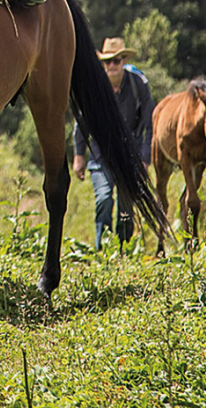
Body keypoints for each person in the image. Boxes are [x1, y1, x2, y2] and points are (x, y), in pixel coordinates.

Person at [72, 36, 154, 250]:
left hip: (130, 155)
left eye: (116, 61)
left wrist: (145, 159)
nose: (111, 66)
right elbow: (82, 121)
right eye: (107, 62)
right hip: (101, 156)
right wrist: (79, 155)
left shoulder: (139, 85)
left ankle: (123, 250)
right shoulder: (94, 88)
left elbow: (150, 124)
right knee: (104, 200)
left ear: (124, 61)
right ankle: (103, 251)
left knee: (127, 207)